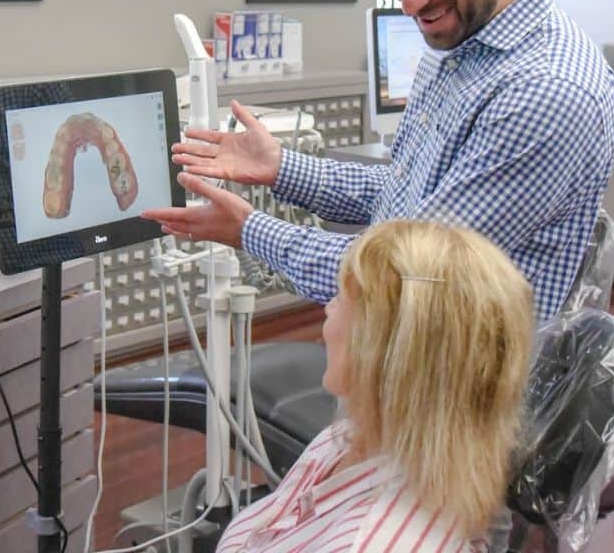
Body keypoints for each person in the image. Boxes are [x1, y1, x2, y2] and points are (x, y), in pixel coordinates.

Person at [143, 0, 614, 322]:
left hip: (464, 388)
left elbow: (407, 277)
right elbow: (410, 197)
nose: (410, 3)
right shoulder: (463, 44)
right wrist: (282, 168)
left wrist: (250, 230)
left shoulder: (546, 91)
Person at [215, 219, 535, 552]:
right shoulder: (351, 440)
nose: (327, 309)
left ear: (387, 351)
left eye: (341, 300)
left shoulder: (374, 542)